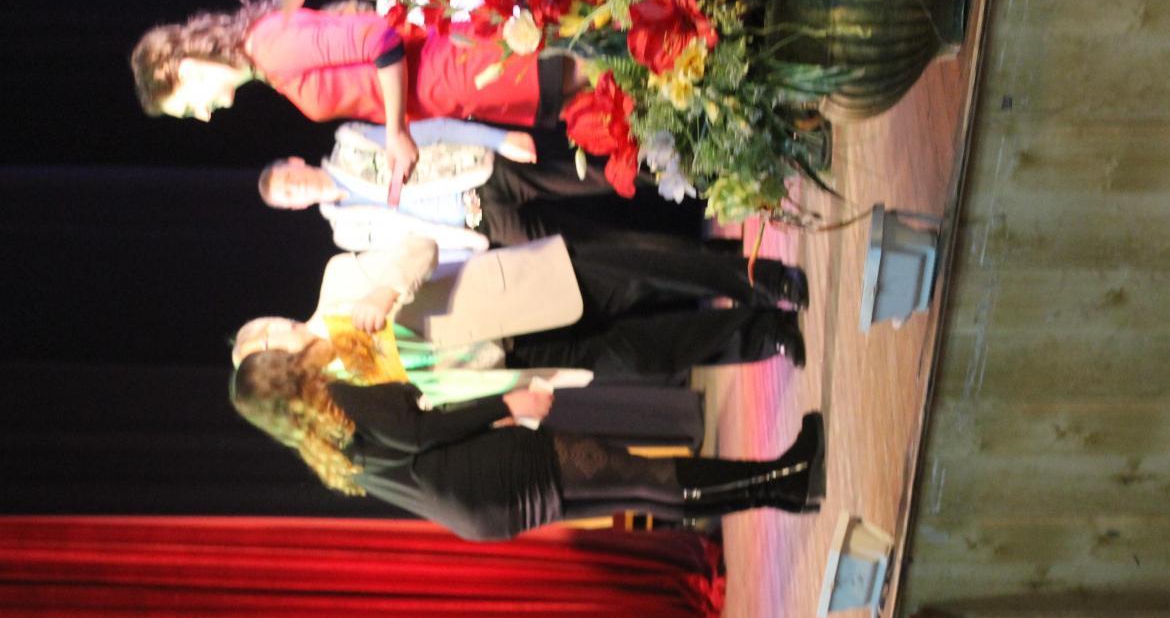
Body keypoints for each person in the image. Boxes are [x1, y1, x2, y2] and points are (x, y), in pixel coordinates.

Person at [230, 339, 827, 541]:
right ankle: (783, 478)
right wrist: (506, 404)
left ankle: (784, 490)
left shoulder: (321, 445)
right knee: (648, 478)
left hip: (483, 507)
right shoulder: (338, 403)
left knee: (641, 490)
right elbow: (421, 430)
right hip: (499, 473)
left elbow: (418, 447)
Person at [231, 233, 811, 396]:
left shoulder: (338, 281)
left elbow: (419, 248)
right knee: (650, 355)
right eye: (265, 357)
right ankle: (767, 335)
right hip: (512, 360)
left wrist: (385, 291)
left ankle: (766, 280)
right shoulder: (344, 385)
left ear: (274, 323)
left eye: (265, 339)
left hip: (518, 289)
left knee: (648, 276)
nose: (275, 345)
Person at [130, 0, 585, 190]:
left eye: (188, 107)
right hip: (464, 87)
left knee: (596, 63)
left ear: (189, 69)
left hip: (465, 67)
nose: (203, 115)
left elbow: (379, 38)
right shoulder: (267, 65)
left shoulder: (269, 46)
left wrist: (396, 132)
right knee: (598, 83)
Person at [260, 121, 709, 259]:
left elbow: (427, 131)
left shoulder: (349, 145)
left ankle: (699, 169)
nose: (297, 188)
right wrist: (474, 255)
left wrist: (497, 139)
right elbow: (414, 253)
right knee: (597, 246)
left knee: (596, 174)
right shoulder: (346, 233)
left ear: (296, 162)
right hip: (484, 227)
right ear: (294, 208)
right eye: (289, 196)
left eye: (289, 180)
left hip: (484, 174)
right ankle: (704, 255)